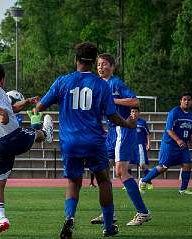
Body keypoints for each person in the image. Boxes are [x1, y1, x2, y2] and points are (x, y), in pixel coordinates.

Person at [36, 42, 137, 238]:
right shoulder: (101, 85)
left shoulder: (63, 81)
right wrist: (128, 124)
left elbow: (40, 106)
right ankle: (108, 227)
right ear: (93, 61)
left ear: (76, 59)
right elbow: (112, 116)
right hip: (94, 141)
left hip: (70, 141)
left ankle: (70, 218)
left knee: (73, 183)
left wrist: (37, 115)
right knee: (104, 181)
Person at [0, 63, 53, 236]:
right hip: (12, 137)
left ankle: (1, 219)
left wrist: (25, 103)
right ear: (2, 79)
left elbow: (9, 109)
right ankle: (46, 133)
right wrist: (2, 113)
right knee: (36, 133)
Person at [90, 53, 151, 226]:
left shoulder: (116, 83)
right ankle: (108, 213)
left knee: (121, 172)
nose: (100, 67)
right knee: (102, 170)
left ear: (112, 67)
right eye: (99, 65)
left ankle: (143, 212)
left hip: (123, 129)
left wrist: (114, 100)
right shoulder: (99, 85)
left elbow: (134, 100)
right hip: (111, 133)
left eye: (104, 64)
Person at [139, 93, 192, 195]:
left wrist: (191, 141)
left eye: (189, 100)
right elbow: (169, 130)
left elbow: (191, 130)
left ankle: (183, 190)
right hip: (170, 144)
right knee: (163, 167)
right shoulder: (174, 112)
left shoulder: (191, 116)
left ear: (191, 102)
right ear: (181, 101)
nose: (187, 101)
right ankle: (143, 180)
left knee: (187, 165)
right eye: (184, 99)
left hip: (182, 145)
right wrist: (178, 140)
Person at [129, 107, 153, 190]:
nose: (134, 113)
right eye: (132, 111)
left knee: (142, 165)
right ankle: (129, 184)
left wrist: (149, 144)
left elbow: (148, 134)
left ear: (139, 113)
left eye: (136, 111)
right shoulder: (127, 122)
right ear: (130, 113)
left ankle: (149, 182)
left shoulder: (142, 122)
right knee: (127, 166)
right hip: (130, 146)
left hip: (140, 146)